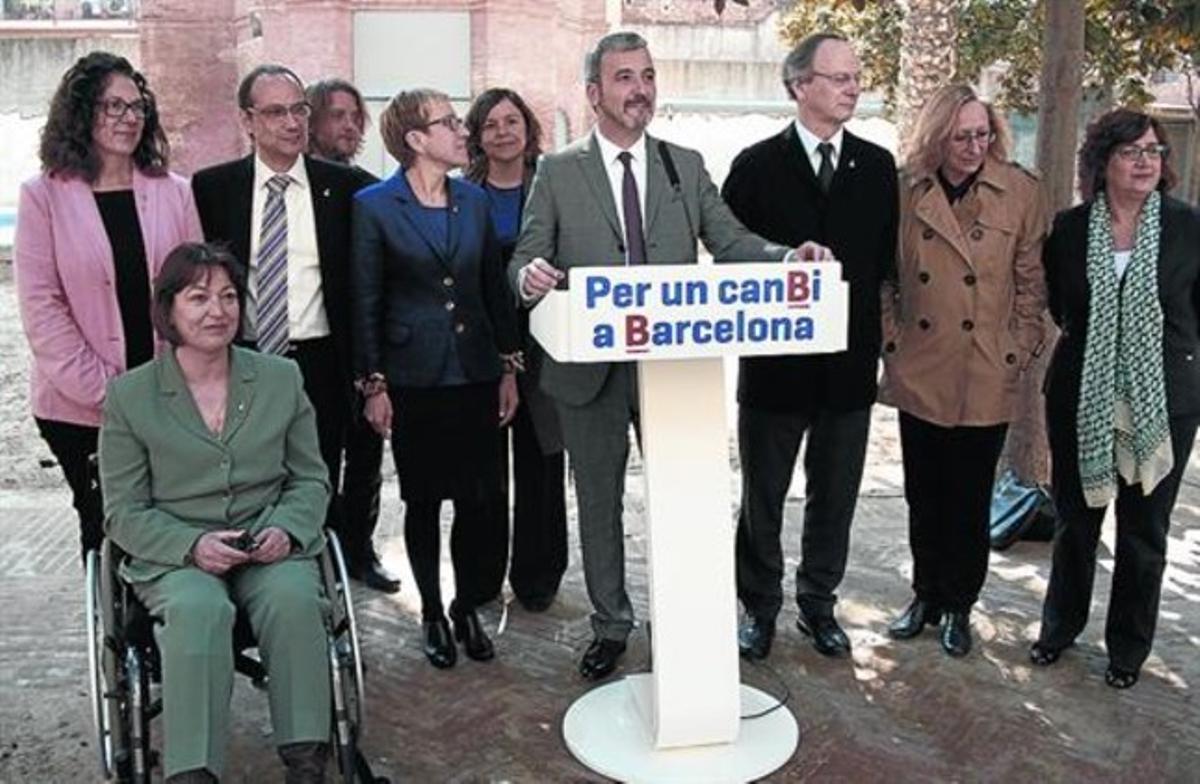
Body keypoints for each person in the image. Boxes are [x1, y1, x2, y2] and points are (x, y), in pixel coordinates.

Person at [510, 31, 831, 681]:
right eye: (625, 77)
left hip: (674, 370)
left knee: (686, 499)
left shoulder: (684, 164)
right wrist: (532, 277)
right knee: (598, 504)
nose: (641, 89)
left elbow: (732, 241)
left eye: (648, 75)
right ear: (595, 93)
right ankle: (611, 626)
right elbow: (524, 257)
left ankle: (685, 620)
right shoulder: (558, 171)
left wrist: (787, 256)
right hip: (589, 371)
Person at [99, 242, 332, 782]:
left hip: (267, 538)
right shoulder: (131, 396)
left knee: (295, 598)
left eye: (229, 296)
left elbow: (311, 479)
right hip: (177, 553)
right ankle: (193, 770)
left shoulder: (280, 378)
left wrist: (287, 528)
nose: (217, 310)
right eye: (198, 297)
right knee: (199, 611)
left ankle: (307, 759)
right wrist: (191, 546)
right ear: (168, 309)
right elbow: (124, 511)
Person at [722, 32, 899, 660]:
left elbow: (885, 267)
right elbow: (727, 258)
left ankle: (819, 604)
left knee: (836, 498)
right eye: (839, 77)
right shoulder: (755, 166)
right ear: (800, 86)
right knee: (762, 499)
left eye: (856, 77)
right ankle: (759, 608)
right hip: (774, 371)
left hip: (849, 368)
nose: (853, 87)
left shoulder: (879, 169)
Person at [1030, 109, 1200, 689]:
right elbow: (1061, 307)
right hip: (1082, 392)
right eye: (1132, 151)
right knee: (1076, 522)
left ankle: (1127, 649)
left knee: (1144, 530)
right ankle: (1059, 628)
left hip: (1164, 399)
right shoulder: (1071, 228)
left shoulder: (1188, 227)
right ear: (1102, 162)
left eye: (1154, 151)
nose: (1147, 161)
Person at [352, 88, 521, 669]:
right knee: (423, 501)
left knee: (478, 501)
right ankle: (430, 611)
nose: (461, 130)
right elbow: (365, 299)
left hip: (474, 373)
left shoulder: (472, 202)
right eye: (448, 122)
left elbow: (493, 293)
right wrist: (374, 385)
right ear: (415, 140)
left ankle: (466, 606)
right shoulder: (374, 205)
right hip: (413, 379)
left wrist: (507, 367)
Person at [879, 84, 1047, 658]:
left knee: (969, 497)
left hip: (984, 367)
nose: (975, 146)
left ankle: (958, 606)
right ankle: (924, 595)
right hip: (921, 364)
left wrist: (1018, 348)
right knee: (923, 493)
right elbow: (885, 276)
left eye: (983, 133)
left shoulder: (1020, 192)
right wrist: (891, 340)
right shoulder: (904, 190)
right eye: (962, 136)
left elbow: (1032, 283)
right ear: (936, 138)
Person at [14, 51, 202, 560]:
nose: (128, 117)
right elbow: (42, 306)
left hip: (169, 397)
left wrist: (173, 382)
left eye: (136, 106)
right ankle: (119, 638)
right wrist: (111, 391)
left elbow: (197, 295)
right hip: (77, 408)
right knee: (106, 526)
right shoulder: (42, 196)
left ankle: (170, 631)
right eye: (111, 107)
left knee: (172, 517)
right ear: (81, 113)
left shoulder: (175, 192)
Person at [191, 65, 375, 581]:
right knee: (246, 478)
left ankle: (324, 582)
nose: (292, 123)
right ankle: (252, 581)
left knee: (317, 477)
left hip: (319, 360)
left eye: (299, 110)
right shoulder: (212, 188)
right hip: (242, 359)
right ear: (248, 120)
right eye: (275, 112)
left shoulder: (345, 189)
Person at [465, 87, 568, 612]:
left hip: (547, 346)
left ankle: (538, 576)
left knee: (543, 463)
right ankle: (482, 578)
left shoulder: (556, 186)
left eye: (512, 121)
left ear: (528, 129)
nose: (503, 132)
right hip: (483, 348)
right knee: (483, 469)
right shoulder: (461, 193)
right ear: (477, 137)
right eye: (490, 125)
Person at [304, 77, 399, 593]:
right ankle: (317, 559)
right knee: (314, 460)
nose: (347, 125)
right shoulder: (291, 188)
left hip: (365, 348)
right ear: (311, 120)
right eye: (335, 114)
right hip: (313, 348)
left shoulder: (369, 188)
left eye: (354, 116)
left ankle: (360, 554)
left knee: (366, 458)